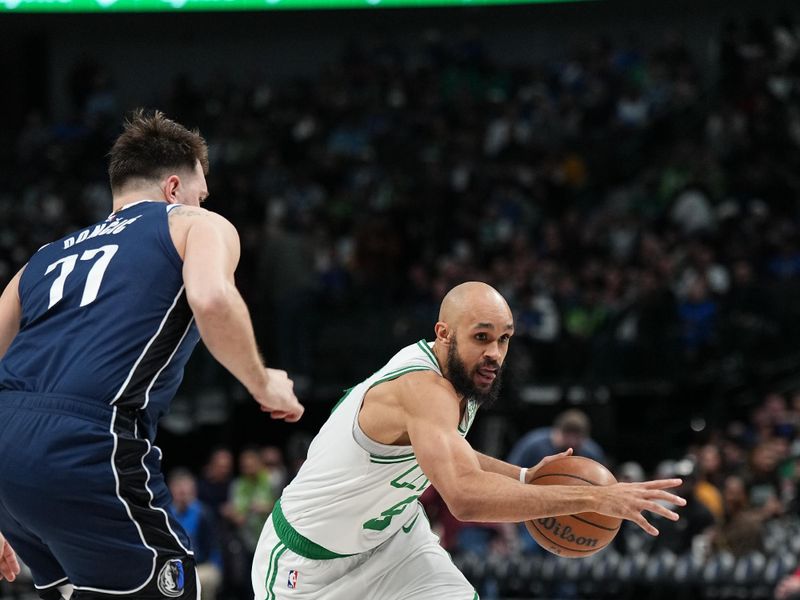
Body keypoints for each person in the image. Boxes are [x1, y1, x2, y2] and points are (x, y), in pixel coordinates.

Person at [0, 109, 304, 600]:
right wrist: (262, 380)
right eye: (201, 195)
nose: (204, 204)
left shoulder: (43, 257)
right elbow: (211, 299)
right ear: (173, 189)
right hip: (87, 441)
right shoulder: (193, 225)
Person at [251, 281, 686, 600]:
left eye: (504, 339)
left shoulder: (462, 380)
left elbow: (449, 454)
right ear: (444, 334)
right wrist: (590, 500)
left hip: (395, 544)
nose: (495, 352)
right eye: (482, 337)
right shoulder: (424, 388)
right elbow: (463, 496)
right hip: (308, 568)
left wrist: (522, 474)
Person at [167, 469, 222, 600]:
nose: (182, 491)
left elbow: (215, 545)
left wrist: (216, 566)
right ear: (171, 489)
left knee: (204, 579)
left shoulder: (203, 513)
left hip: (202, 566)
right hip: (174, 566)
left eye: (186, 486)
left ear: (193, 489)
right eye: (178, 486)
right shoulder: (166, 515)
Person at [507, 408, 606, 470]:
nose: (572, 443)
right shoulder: (532, 445)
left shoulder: (592, 453)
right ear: (556, 431)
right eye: (567, 436)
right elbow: (512, 471)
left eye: (577, 438)